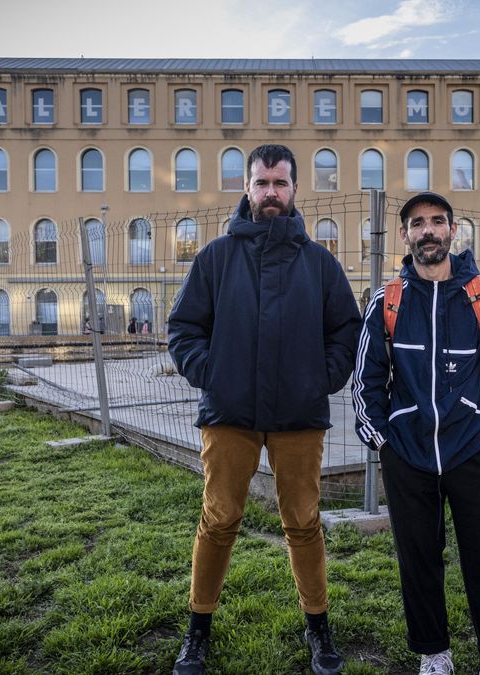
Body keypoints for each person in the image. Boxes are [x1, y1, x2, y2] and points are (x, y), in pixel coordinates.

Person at [167, 144, 361, 675]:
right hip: (229, 412)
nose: (271, 192)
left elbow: (346, 329)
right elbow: (183, 328)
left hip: (299, 414)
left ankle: (318, 627)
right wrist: (213, 372)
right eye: (262, 183)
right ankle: (197, 630)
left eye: (280, 183)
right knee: (219, 517)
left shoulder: (319, 263)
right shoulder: (216, 257)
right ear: (247, 189)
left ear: (295, 189)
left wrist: (320, 378)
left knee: (302, 520)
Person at [353, 192, 480, 675]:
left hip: (473, 447)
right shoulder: (387, 302)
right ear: (405, 235)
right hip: (407, 453)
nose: (427, 231)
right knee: (419, 558)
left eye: (437, 222)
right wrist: (382, 437)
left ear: (452, 231)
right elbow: (366, 374)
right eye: (417, 224)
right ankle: (434, 652)